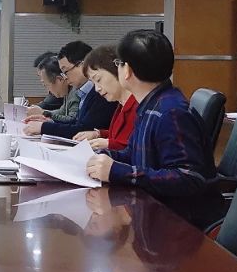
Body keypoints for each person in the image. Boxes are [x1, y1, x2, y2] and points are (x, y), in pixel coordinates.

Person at [86, 29, 223, 229]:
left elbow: (189, 178)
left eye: (118, 63)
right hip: (155, 214)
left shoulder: (170, 113)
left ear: (127, 70)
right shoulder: (150, 105)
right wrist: (100, 156)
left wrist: (119, 171)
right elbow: (134, 154)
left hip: (179, 225)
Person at [25, 40, 116, 137]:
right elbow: (77, 123)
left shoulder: (101, 93)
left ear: (82, 65)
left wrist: (44, 127)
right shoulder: (85, 91)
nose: (65, 77)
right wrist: (49, 122)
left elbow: (84, 129)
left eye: (65, 71)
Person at [71, 45, 138, 152]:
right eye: (93, 83)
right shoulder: (121, 105)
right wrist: (98, 134)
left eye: (98, 79)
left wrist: (108, 143)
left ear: (118, 70)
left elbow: (135, 148)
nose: (97, 88)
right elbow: (118, 135)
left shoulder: (138, 106)